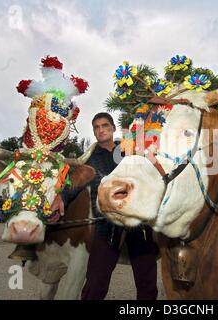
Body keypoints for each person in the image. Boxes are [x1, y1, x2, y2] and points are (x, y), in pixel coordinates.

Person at [53, 112, 158, 300]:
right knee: (95, 284)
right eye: (96, 127)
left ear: (113, 128)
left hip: (138, 224)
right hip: (106, 225)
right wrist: (62, 197)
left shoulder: (130, 150)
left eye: (105, 126)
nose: (101, 130)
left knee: (147, 284)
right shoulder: (88, 159)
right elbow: (74, 184)